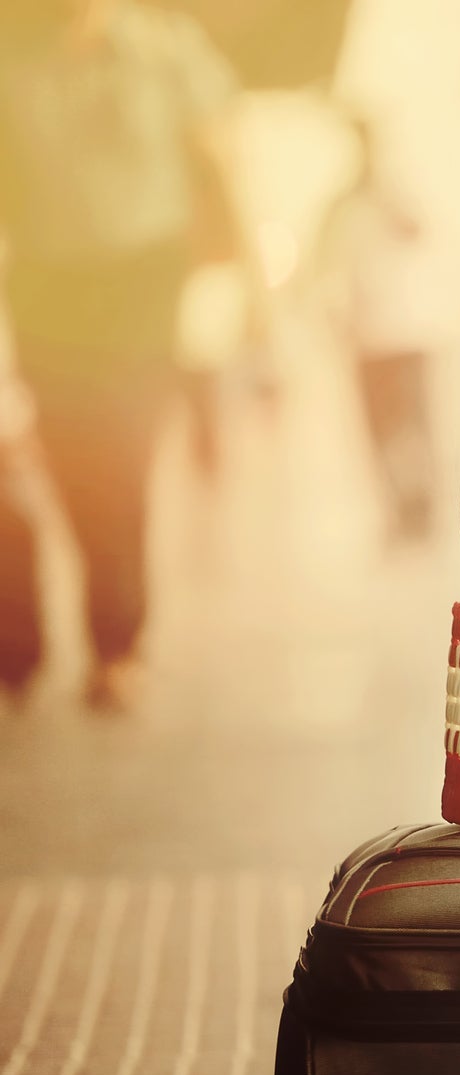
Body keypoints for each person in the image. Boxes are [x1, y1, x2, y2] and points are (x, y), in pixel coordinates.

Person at [0, 0, 241, 708]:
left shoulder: (167, 50)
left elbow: (220, 158)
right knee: (62, 456)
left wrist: (250, 285)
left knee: (123, 457)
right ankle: (45, 635)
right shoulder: (15, 51)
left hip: (142, 280)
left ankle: (117, 644)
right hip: (46, 283)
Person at [320, 112, 440, 543]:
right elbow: (327, 269)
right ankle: (399, 508)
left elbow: (418, 230)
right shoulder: (342, 206)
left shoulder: (393, 197)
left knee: (409, 426)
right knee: (383, 429)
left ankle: (420, 508)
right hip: (369, 339)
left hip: (404, 333)